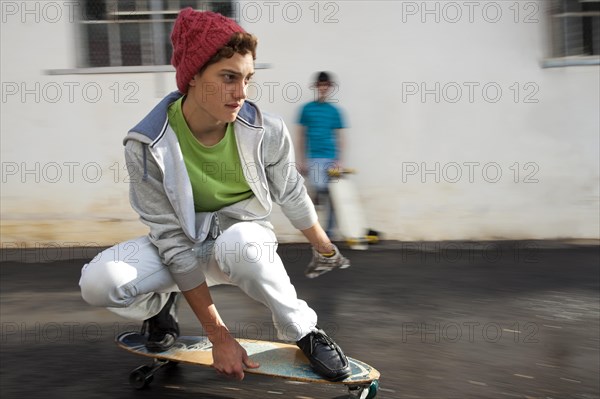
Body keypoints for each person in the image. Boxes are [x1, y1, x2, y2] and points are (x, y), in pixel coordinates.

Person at [78, 8, 352, 382]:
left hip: (239, 244)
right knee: (99, 283)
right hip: (183, 245)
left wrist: (323, 245)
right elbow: (171, 240)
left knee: (243, 243)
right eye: (228, 78)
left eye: (247, 79)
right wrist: (218, 336)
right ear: (192, 76)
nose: (241, 93)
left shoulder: (265, 130)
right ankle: (161, 303)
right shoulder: (146, 143)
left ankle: (305, 331)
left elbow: (290, 191)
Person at [296, 72, 347, 238]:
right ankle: (315, 204)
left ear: (330, 87)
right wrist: (302, 160)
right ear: (316, 87)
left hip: (331, 157)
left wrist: (339, 161)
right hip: (314, 157)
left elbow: (340, 137)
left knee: (333, 195)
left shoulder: (335, 111)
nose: (323, 88)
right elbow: (301, 136)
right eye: (321, 85)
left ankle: (329, 232)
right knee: (320, 188)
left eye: (326, 85)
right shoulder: (306, 109)